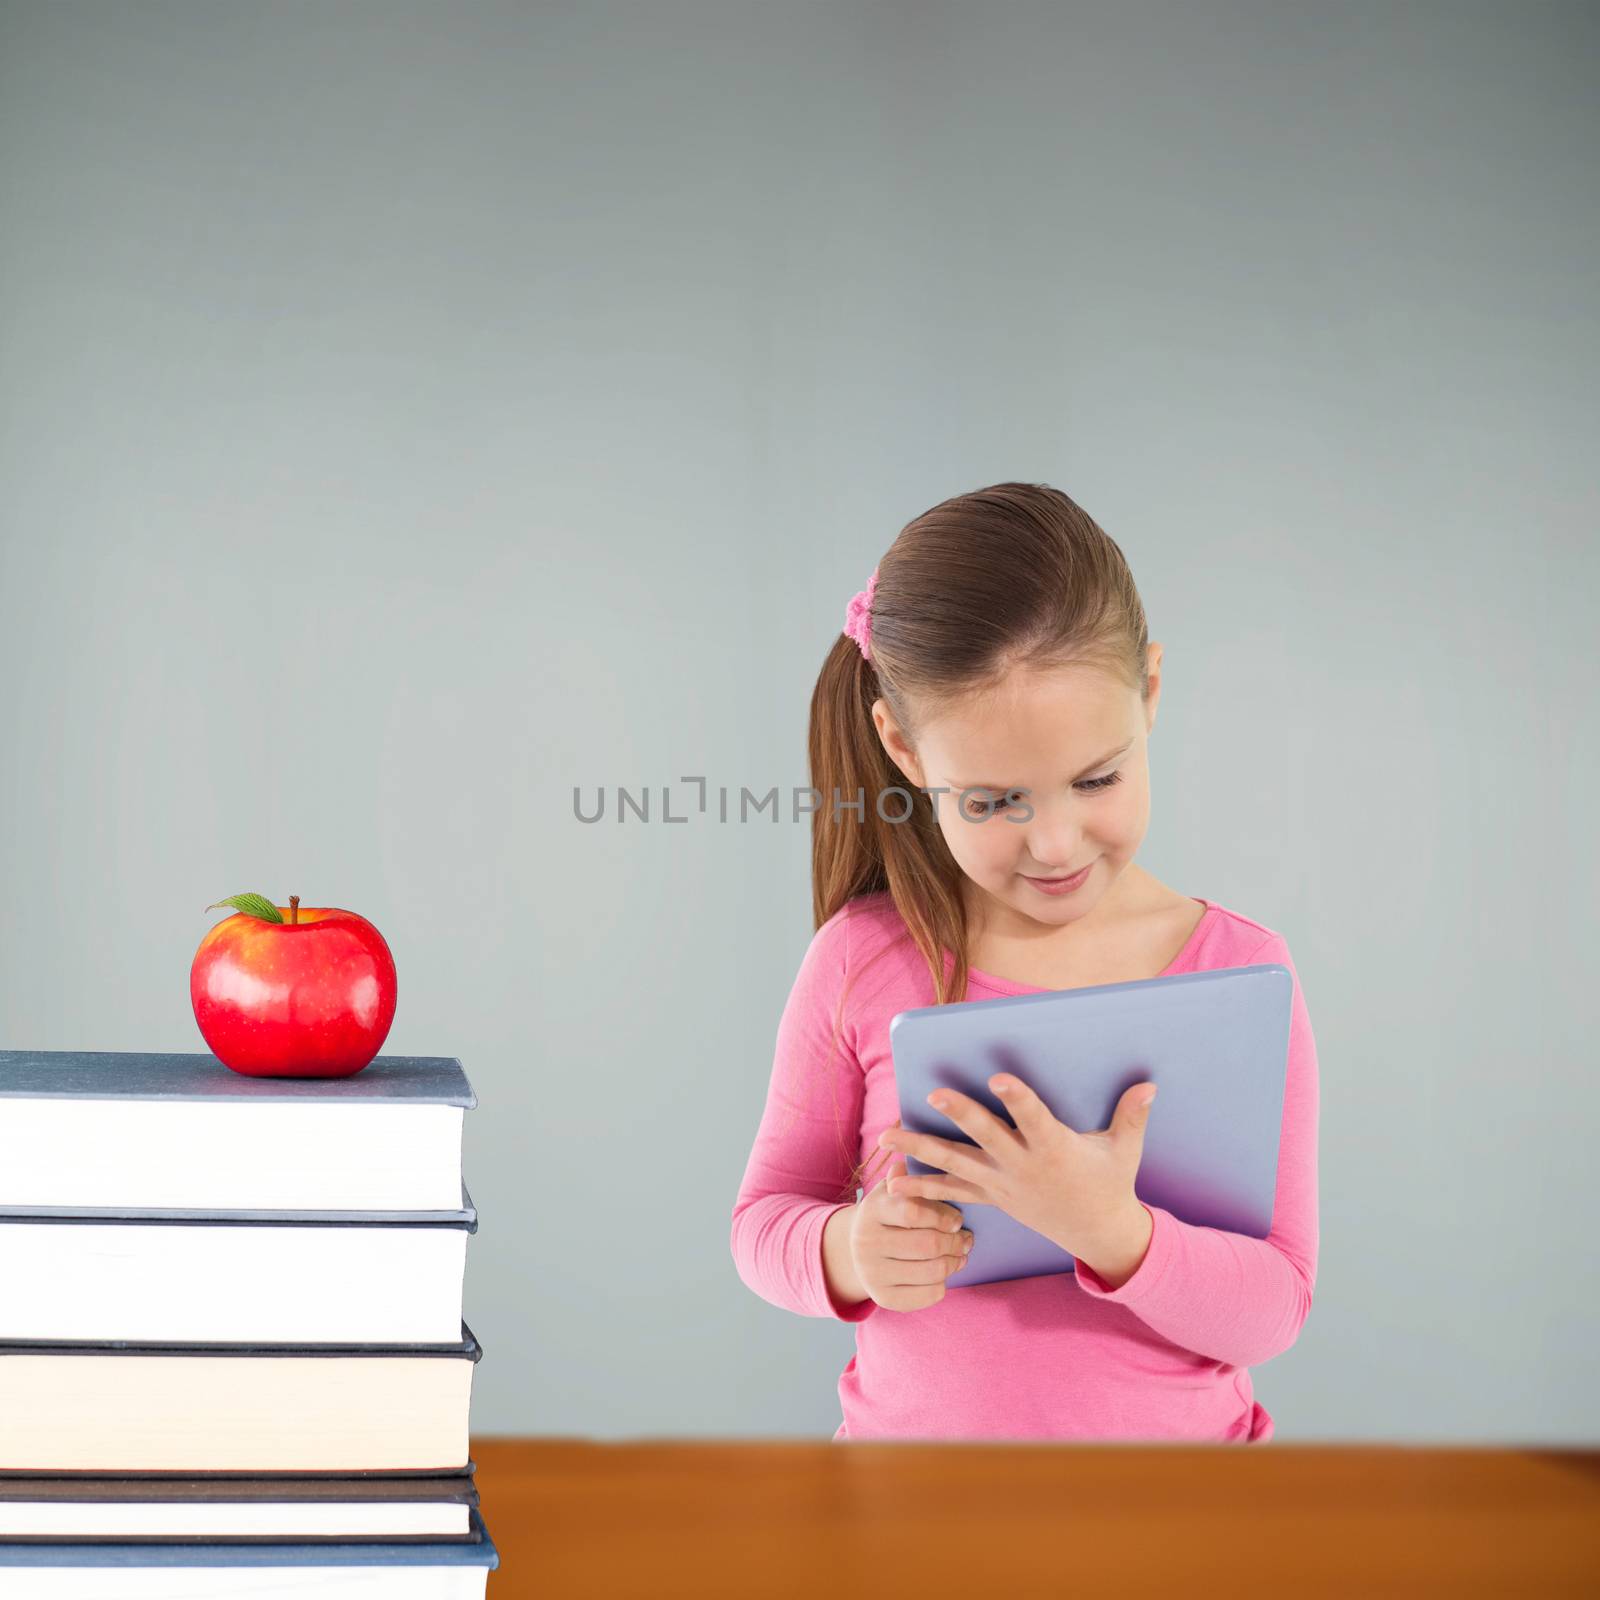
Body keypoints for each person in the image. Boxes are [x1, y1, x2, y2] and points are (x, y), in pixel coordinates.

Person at [728, 481, 1319, 1443]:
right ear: (903, 749)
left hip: (1183, 1542)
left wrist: (1111, 1231)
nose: (1054, 844)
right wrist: (851, 1248)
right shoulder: (861, 961)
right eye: (995, 800)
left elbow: (1276, 1307)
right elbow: (764, 1224)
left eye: (1097, 779)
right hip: (909, 1536)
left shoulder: (1238, 970)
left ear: (1152, 693)